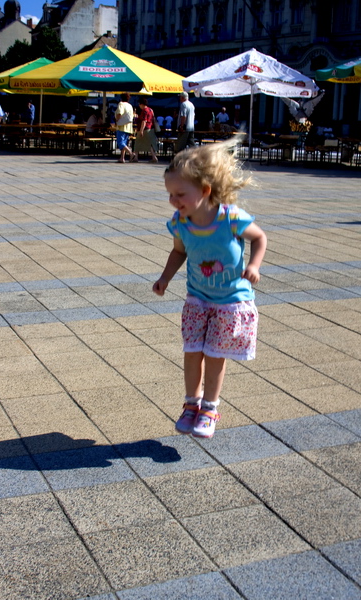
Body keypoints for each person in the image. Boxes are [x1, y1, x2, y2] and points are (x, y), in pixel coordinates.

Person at [152, 141, 267, 438]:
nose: (173, 200)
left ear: (204, 191)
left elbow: (259, 238)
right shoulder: (180, 223)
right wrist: (165, 278)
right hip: (198, 299)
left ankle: (210, 407)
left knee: (215, 356)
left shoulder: (230, 217)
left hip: (230, 301)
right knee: (192, 352)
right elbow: (179, 252)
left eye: (180, 194)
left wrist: (253, 266)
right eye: (170, 194)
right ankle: (191, 404)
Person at [130, 98, 158, 163]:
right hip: (150, 128)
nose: (139, 105)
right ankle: (154, 157)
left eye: (139, 104)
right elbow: (153, 118)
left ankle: (136, 158)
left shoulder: (144, 111)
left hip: (144, 129)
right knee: (149, 144)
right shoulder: (151, 110)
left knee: (137, 143)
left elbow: (144, 121)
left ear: (142, 104)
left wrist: (141, 130)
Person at [115, 92, 135, 163]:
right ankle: (122, 158)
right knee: (124, 143)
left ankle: (131, 153)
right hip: (128, 127)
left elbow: (119, 113)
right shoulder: (130, 105)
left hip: (121, 126)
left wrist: (116, 120)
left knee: (121, 142)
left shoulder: (121, 104)